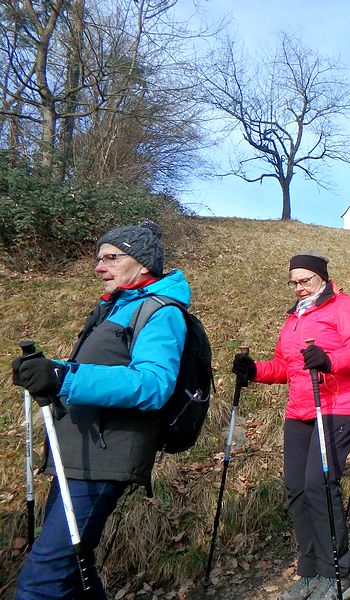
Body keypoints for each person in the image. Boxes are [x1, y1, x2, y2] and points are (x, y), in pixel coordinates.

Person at [12, 221, 190, 598]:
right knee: (74, 570)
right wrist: (47, 369)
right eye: (99, 258)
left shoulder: (160, 312)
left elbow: (154, 384)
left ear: (142, 263)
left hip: (106, 457)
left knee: (42, 580)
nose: (98, 267)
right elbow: (98, 369)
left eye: (111, 257)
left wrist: (63, 376)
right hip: (79, 453)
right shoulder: (116, 307)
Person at [232, 252, 350, 600]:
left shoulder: (343, 307)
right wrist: (255, 371)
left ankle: (336, 574)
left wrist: (330, 360)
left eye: (304, 281)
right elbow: (286, 366)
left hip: (337, 406)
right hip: (299, 409)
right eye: (293, 282)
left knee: (319, 485)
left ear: (321, 277)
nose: (298, 287)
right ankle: (310, 571)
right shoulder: (293, 318)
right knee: (296, 488)